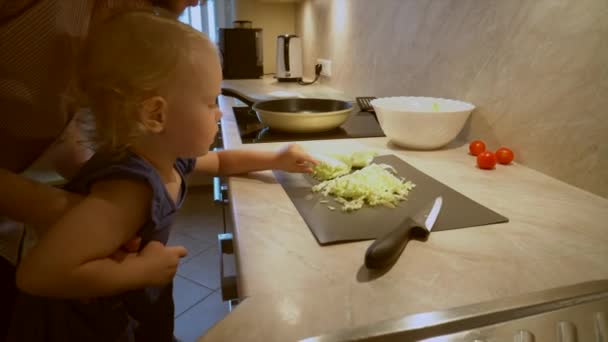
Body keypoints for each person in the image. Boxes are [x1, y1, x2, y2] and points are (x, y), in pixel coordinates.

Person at [8, 9, 318, 342]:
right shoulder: (129, 190)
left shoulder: (165, 157)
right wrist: (140, 271)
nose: (218, 113)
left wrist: (277, 156)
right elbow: (38, 274)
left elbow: (222, 162)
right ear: (156, 114)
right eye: (211, 101)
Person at [0, 1, 202, 339]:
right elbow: (40, 275)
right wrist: (73, 213)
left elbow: (69, 125)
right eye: (210, 102)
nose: (197, 1)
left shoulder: (123, 33)